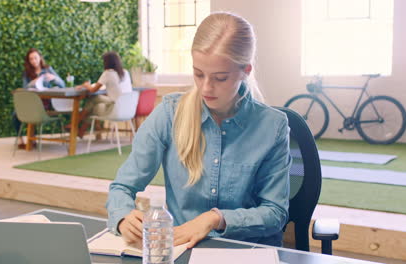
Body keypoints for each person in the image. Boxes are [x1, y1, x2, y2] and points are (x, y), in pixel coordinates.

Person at [106, 12, 291, 249]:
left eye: (220, 77)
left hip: (247, 250)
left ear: (245, 70)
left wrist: (216, 218)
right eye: (198, 73)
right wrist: (123, 217)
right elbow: (122, 186)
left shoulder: (272, 126)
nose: (206, 87)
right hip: (183, 251)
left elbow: (275, 213)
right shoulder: (169, 114)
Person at [13, 48, 65, 149]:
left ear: (40, 58)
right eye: (31, 59)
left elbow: (62, 84)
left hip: (46, 102)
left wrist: (54, 78)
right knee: (16, 113)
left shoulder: (48, 69)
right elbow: (25, 88)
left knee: (35, 111)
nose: (33, 61)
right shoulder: (27, 73)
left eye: (35, 58)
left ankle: (33, 139)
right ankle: (21, 140)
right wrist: (33, 82)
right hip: (32, 100)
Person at [73, 51, 132, 138]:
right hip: (127, 109)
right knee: (95, 106)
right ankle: (80, 131)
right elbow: (116, 88)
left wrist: (85, 85)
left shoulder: (108, 73)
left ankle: (75, 123)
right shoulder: (125, 72)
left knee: (94, 100)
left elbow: (93, 90)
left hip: (115, 109)